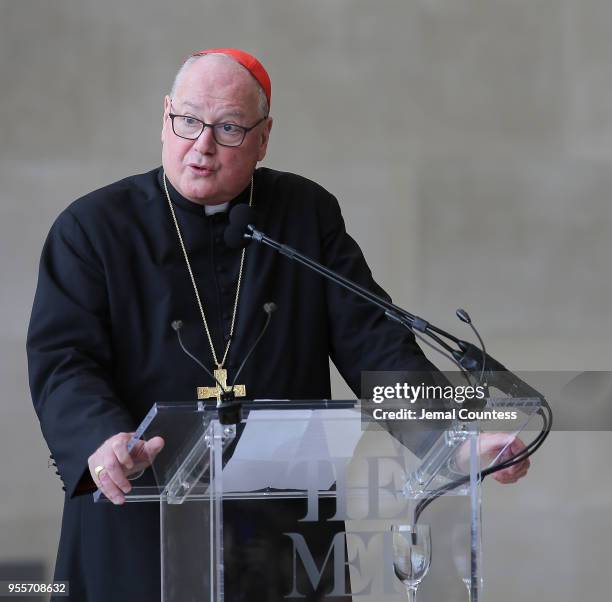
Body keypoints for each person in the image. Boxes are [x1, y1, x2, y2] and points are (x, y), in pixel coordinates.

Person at [27, 49, 529, 601]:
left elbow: (374, 342)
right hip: (138, 528)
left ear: (264, 139)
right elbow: (64, 361)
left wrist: (452, 439)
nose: (202, 145)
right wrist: (103, 439)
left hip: (280, 540)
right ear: (165, 116)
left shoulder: (302, 215)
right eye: (188, 121)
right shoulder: (92, 228)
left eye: (230, 128)